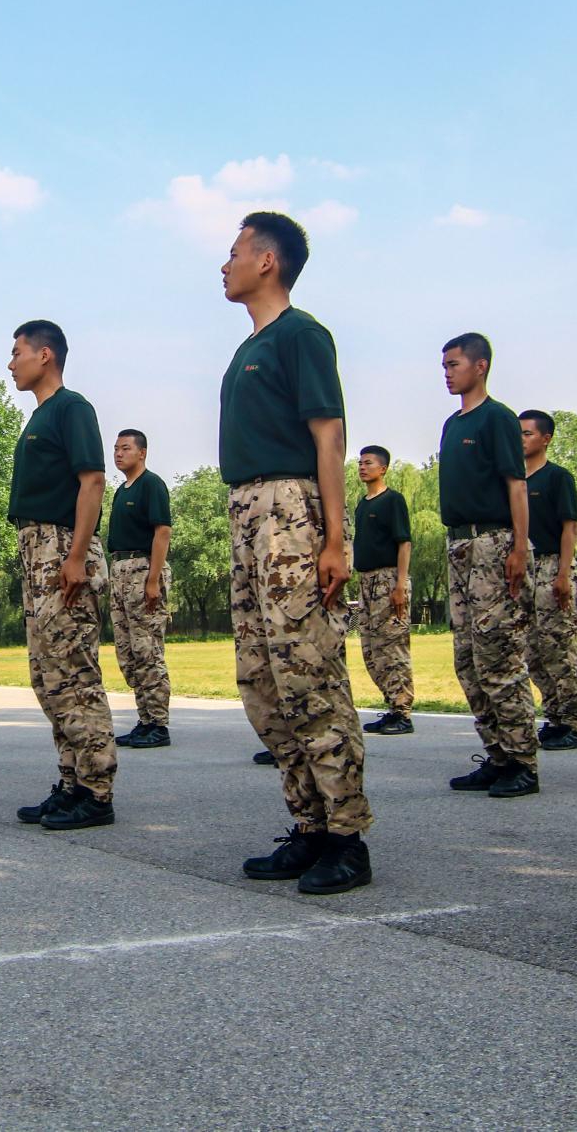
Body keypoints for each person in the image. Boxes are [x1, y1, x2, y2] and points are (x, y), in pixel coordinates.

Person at [220, 212, 372, 894]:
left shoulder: (302, 335)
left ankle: (347, 836)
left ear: (267, 262)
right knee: (261, 676)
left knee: (307, 671)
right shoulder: (247, 347)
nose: (224, 265)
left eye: (234, 253)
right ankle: (308, 824)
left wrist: (336, 539)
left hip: (291, 512)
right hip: (246, 512)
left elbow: (330, 436)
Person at [5, 322, 118, 831]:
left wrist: (74, 556)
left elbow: (92, 480)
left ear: (44, 355)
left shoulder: (73, 408)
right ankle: (71, 781)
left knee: (73, 671)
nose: (11, 363)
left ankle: (97, 791)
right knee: (47, 674)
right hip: (36, 548)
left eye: (17, 353)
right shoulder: (40, 417)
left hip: (61, 545)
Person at [438, 333, 538, 798]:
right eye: (444, 364)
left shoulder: (498, 418)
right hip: (458, 546)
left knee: (498, 654)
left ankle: (522, 761)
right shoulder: (451, 424)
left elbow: (516, 485)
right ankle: (497, 754)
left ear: (480, 366)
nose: (447, 371)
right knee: (468, 658)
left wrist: (518, 547)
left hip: (492, 544)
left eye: (454, 363)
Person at [518, 411, 577, 750]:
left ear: (545, 438)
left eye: (528, 434)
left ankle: (572, 721)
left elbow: (568, 528)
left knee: (558, 644)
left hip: (551, 565)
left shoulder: (557, 477)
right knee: (533, 648)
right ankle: (554, 715)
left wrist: (563, 573)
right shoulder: (516, 482)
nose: (521, 440)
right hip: (526, 568)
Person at [107, 429, 174, 750]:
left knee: (147, 649)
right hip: (119, 570)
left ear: (142, 453)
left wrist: (153, 579)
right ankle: (144, 718)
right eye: (116, 448)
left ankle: (158, 724)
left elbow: (162, 532)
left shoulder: (152, 485)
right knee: (128, 652)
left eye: (126, 448)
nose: (119, 453)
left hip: (143, 568)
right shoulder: (121, 490)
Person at [350, 445, 415, 735]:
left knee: (393, 644)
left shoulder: (392, 501)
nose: (363, 467)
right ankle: (391, 705)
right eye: (360, 463)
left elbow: (404, 542)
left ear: (383, 468)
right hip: (366, 581)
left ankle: (403, 711)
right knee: (372, 648)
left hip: (388, 579)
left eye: (369, 463)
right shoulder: (363, 504)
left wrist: (400, 584)